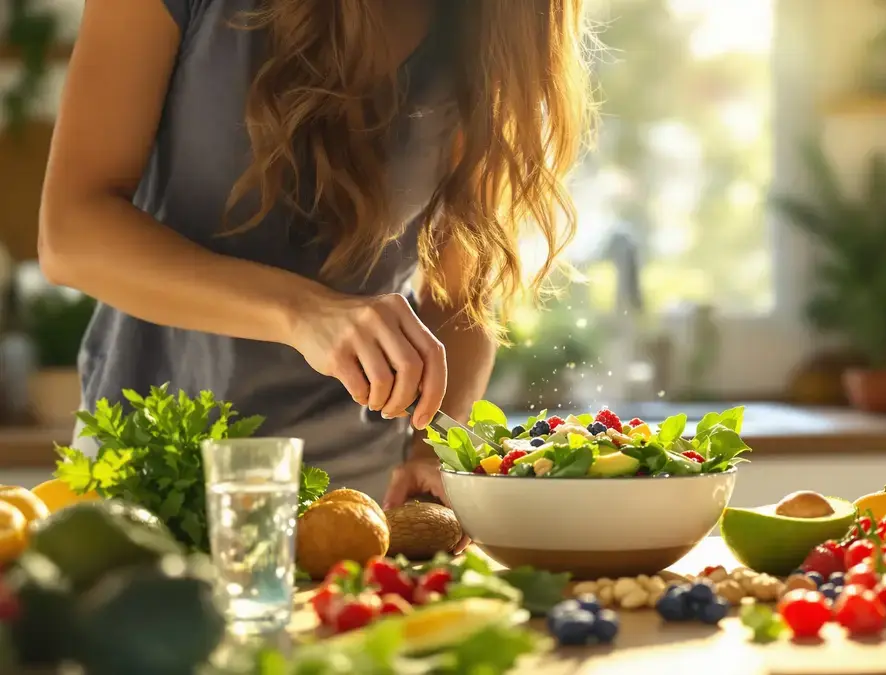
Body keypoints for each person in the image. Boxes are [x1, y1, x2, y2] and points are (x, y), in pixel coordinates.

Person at [37, 0, 592, 508]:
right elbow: (70, 234)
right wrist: (302, 311)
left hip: (356, 501)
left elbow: (460, 293)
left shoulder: (490, 24)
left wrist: (436, 451)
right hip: (146, 479)